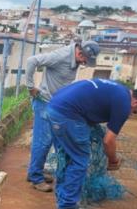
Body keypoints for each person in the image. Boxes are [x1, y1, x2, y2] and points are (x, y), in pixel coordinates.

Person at [44, 78, 137, 209]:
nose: (130, 114)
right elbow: (109, 141)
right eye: (134, 112)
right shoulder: (124, 103)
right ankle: (68, 205)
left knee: (66, 156)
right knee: (79, 160)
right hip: (68, 114)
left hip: (54, 107)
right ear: (136, 102)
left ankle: (63, 197)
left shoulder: (117, 89)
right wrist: (113, 161)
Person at [24, 40, 100, 192]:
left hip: (56, 105)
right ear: (80, 53)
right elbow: (32, 61)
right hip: (45, 102)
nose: (85, 63)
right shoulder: (61, 55)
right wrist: (30, 87)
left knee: (50, 140)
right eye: (85, 59)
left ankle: (35, 171)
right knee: (43, 141)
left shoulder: (75, 59)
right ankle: (36, 178)